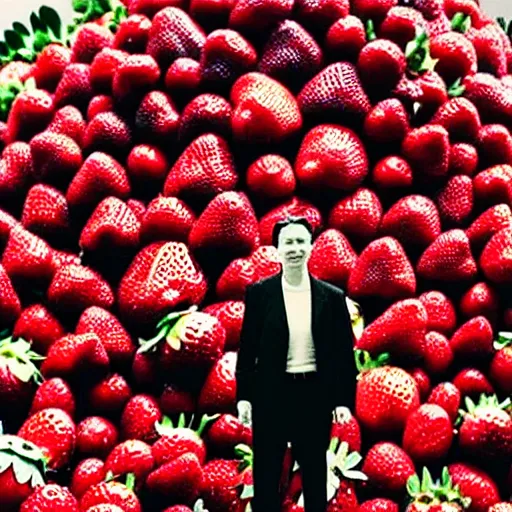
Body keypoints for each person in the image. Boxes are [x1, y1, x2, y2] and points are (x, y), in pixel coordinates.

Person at [235, 215, 359, 512]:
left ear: (311, 247)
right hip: (271, 393)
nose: (294, 248)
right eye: (287, 242)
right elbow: (247, 349)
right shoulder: (259, 295)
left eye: (301, 241)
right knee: (266, 472)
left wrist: (342, 400)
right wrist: (245, 397)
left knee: (315, 471)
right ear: (277, 249)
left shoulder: (332, 298)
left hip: (313, 393)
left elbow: (344, 353)